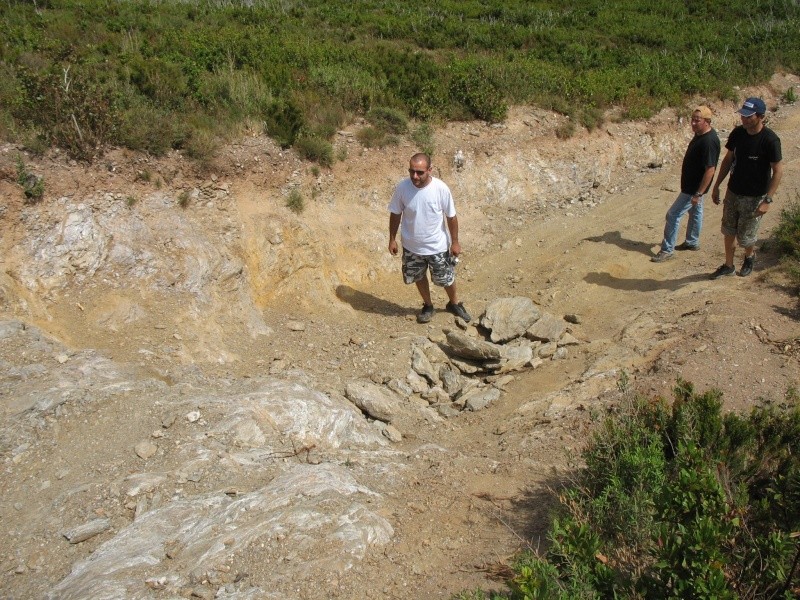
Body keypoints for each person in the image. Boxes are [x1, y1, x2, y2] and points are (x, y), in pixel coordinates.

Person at [388, 153, 471, 324]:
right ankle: (428, 305)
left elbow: (451, 217)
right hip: (411, 246)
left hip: (437, 246)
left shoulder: (441, 189)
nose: (414, 176)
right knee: (418, 276)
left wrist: (455, 242)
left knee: (446, 278)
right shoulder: (403, 188)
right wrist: (392, 239)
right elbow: (395, 213)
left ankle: (454, 304)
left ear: (430, 170)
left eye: (419, 172)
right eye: (411, 171)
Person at [709, 97, 783, 279]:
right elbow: (728, 159)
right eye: (743, 115)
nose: (744, 119)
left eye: (748, 117)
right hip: (733, 191)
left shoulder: (770, 140)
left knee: (746, 237)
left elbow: (778, 171)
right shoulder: (738, 134)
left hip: (755, 196)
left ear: (761, 117)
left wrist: (768, 200)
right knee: (728, 230)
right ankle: (728, 265)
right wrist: (717, 185)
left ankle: (749, 256)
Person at [651, 106, 720, 262]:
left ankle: (667, 250)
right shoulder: (700, 134)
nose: (693, 123)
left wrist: (699, 192)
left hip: (693, 188)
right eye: (693, 119)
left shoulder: (709, 141)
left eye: (697, 120)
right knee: (696, 211)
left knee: (673, 214)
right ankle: (692, 241)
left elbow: (710, 169)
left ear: (707, 122)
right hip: (693, 186)